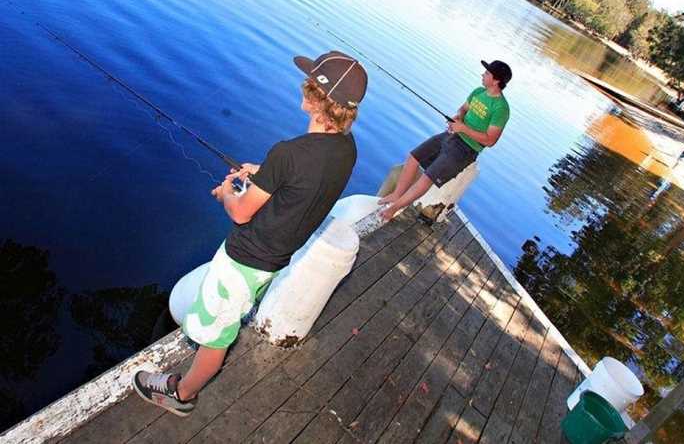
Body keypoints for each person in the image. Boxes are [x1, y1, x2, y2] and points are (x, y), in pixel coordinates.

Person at [131, 50, 367, 416]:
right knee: (226, 319)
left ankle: (181, 394)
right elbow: (306, 182)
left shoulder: (288, 153)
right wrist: (266, 173)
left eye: (309, 82)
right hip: (274, 259)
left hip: (243, 260)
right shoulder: (346, 149)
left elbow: (241, 213)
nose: (302, 85)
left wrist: (227, 193)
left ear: (316, 97)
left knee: (215, 339)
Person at [379, 59, 512, 222]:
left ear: (496, 80)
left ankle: (393, 209)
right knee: (413, 157)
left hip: (466, 149)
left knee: (427, 177)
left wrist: (463, 129)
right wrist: (458, 119)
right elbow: (463, 109)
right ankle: (396, 195)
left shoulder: (501, 108)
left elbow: (490, 140)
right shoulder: (478, 92)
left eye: (487, 73)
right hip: (451, 135)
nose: (482, 75)